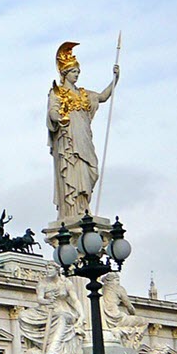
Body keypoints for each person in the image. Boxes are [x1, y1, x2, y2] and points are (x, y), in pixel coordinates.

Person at [47, 42, 119, 220]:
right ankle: (72, 211)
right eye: (74, 72)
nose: (77, 75)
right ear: (65, 73)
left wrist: (115, 79)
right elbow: (52, 111)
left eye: (78, 72)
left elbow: (102, 97)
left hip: (84, 137)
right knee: (73, 171)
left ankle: (84, 206)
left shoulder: (84, 94)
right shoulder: (58, 93)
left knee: (91, 170)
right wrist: (59, 118)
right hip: (68, 138)